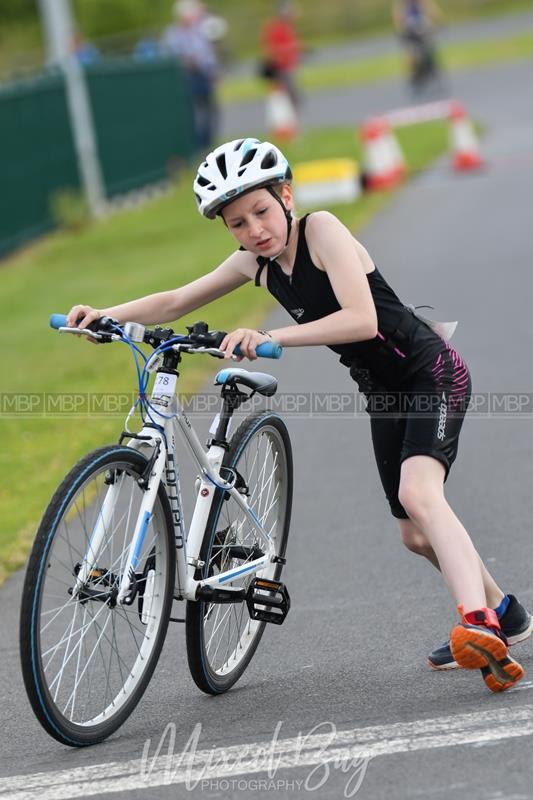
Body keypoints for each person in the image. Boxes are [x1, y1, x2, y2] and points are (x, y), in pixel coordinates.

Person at [67, 138, 533, 691]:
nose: (254, 230)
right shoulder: (256, 265)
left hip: (429, 372)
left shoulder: (323, 231)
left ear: (286, 196)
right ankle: (505, 614)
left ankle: (476, 624)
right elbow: (174, 300)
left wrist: (271, 335)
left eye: (261, 212)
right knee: (414, 534)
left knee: (420, 495)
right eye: (237, 224)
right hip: (381, 390)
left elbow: (362, 320)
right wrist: (103, 316)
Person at [161, 0, 219, 149]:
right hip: (189, 77)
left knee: (211, 110)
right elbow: (173, 54)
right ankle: (199, 145)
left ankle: (209, 142)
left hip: (204, 74)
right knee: (196, 112)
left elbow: (207, 52)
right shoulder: (174, 33)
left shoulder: (199, 30)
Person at [260, 1, 302, 112]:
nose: (292, 13)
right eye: (290, 11)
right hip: (281, 68)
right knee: (288, 99)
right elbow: (271, 49)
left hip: (288, 67)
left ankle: (291, 121)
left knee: (294, 98)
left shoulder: (287, 27)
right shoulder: (275, 27)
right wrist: (290, 48)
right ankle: (288, 123)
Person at [392, 0, 443, 93]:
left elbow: (431, 9)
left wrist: (438, 22)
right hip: (410, 29)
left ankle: (433, 69)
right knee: (411, 53)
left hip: (423, 27)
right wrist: (400, 31)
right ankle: (412, 74)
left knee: (429, 46)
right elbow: (398, 16)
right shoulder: (403, 3)